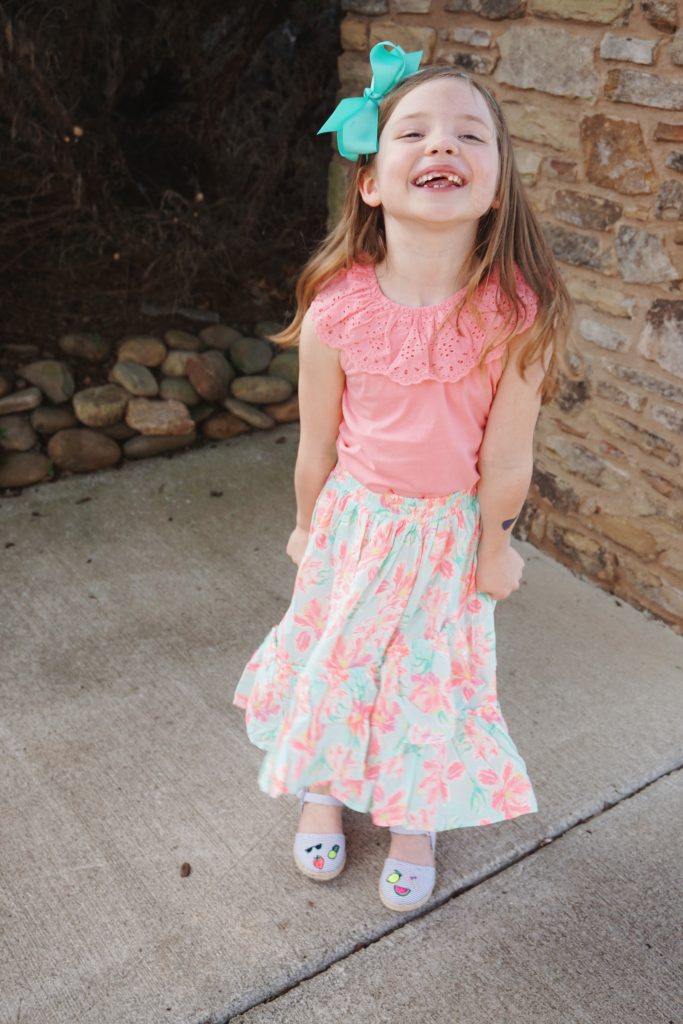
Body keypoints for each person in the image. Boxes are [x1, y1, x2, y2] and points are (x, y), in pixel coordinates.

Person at [232, 41, 573, 913]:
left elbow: (505, 457)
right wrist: (305, 525)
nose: (441, 144)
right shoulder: (336, 310)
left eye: (469, 134)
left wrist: (494, 546)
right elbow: (316, 446)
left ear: (495, 188)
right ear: (371, 181)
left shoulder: (513, 317)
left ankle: (414, 815)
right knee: (338, 666)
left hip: (445, 538)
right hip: (353, 526)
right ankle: (323, 788)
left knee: (428, 686)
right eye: (413, 132)